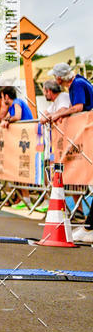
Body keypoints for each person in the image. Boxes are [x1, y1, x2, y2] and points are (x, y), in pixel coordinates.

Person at [46, 64, 93, 243]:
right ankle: (88, 226)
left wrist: (62, 114)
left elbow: (79, 107)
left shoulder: (78, 85)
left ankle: (88, 227)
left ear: (60, 78)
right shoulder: (79, 83)